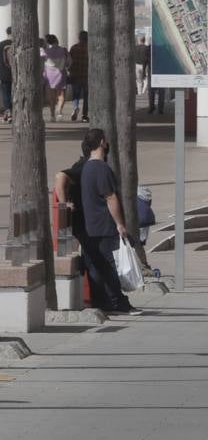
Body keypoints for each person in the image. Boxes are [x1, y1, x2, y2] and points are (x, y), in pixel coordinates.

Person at [78, 128, 138, 315]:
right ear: (102, 142)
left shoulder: (86, 167)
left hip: (90, 226)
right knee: (111, 267)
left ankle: (102, 302)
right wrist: (120, 224)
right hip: (105, 225)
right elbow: (110, 197)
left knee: (96, 267)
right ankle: (118, 302)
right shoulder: (101, 168)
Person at [41, 34, 69, 121]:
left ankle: (52, 115)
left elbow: (41, 60)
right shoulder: (63, 50)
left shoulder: (45, 51)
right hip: (61, 74)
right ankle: (59, 111)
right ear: (56, 40)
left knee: (51, 96)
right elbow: (69, 62)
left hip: (49, 75)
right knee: (61, 94)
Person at [67, 31, 88, 123]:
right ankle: (84, 115)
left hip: (76, 75)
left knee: (76, 94)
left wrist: (70, 71)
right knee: (87, 96)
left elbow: (69, 61)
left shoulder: (74, 48)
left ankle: (75, 107)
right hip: (87, 76)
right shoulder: (90, 48)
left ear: (79, 38)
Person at [0, 26, 11, 122]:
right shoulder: (18, 44)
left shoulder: (1, 44)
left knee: (6, 94)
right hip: (17, 74)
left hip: (4, 73)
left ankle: (8, 112)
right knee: (15, 94)